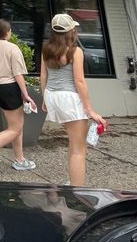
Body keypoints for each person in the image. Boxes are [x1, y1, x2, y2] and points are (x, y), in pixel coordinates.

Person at [41, 13, 107, 186]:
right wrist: (90, 110)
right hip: (69, 98)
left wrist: (44, 99)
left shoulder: (46, 49)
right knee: (79, 150)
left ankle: (72, 183)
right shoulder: (75, 51)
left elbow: (43, 76)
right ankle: (77, 193)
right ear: (71, 31)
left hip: (52, 95)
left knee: (73, 142)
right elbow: (79, 81)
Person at [0, 18, 38, 174]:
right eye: (10, 30)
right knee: (15, 128)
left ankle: (20, 160)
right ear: (7, 32)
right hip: (9, 89)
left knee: (16, 125)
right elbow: (18, 75)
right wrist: (26, 96)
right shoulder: (12, 48)